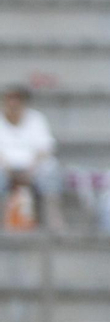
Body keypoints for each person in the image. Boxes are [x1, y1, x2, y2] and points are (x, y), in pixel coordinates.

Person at [0, 85, 65, 232]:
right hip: (5, 167)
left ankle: (54, 224)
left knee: (50, 169)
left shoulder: (36, 119)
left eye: (17, 99)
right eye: (9, 99)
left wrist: (32, 168)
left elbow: (45, 148)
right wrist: (6, 166)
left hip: (33, 167)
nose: (13, 103)